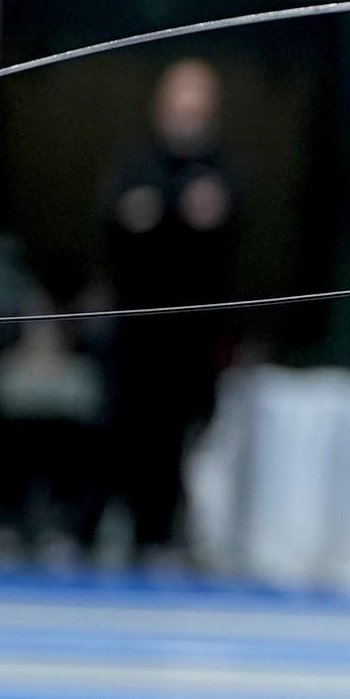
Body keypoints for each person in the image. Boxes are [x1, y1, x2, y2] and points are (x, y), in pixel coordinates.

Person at [96, 57, 240, 565]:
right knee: (126, 432)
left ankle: (171, 533)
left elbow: (229, 232)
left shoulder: (222, 169)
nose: (186, 118)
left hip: (192, 337)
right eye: (179, 107)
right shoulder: (135, 163)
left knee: (185, 438)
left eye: (196, 109)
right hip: (136, 332)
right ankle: (118, 528)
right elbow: (113, 222)